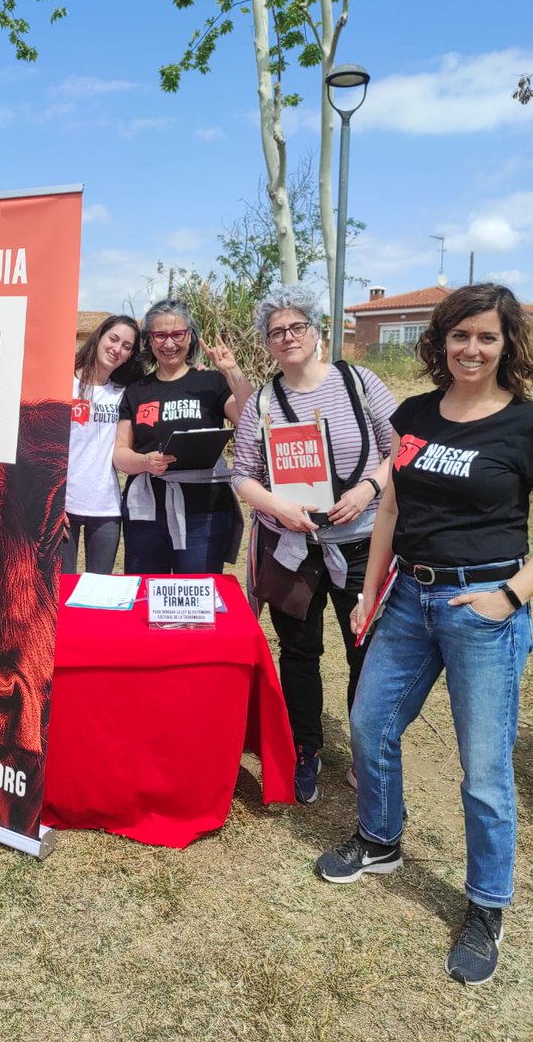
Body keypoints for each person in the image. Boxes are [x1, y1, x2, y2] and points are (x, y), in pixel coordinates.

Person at [316, 283, 533, 987]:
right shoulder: (413, 414)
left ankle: (485, 906)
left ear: (506, 345)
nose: (472, 348)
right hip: (409, 594)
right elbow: (390, 511)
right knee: (370, 719)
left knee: (485, 770)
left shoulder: (524, 424)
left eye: (487, 337)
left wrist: (508, 597)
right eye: (460, 335)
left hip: (484, 605)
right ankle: (380, 839)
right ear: (439, 342)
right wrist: (370, 593)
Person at [232, 284, 396, 805]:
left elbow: (402, 449)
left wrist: (369, 488)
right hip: (292, 549)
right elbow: (243, 475)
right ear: (267, 343)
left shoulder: (359, 381)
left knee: (363, 650)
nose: (287, 337)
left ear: (317, 331)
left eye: (296, 327)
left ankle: (364, 754)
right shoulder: (261, 401)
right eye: (276, 332)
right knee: (299, 652)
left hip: (360, 542)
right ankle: (307, 748)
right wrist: (279, 507)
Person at [113, 297, 253, 574]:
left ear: (190, 337)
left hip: (206, 512)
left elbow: (250, 419)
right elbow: (120, 453)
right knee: (147, 594)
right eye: (160, 335)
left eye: (177, 334)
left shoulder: (211, 383)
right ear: (149, 340)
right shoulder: (136, 390)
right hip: (146, 511)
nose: (169, 343)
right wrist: (145, 462)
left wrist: (231, 370)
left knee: (196, 596)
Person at [62, 314, 142, 575]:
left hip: (106, 507)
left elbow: (165, 383)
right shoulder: (63, 382)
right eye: (114, 339)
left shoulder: (125, 391)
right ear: (99, 337)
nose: (117, 349)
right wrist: (48, 503)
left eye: (127, 346)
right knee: (60, 592)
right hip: (63, 506)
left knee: (98, 592)